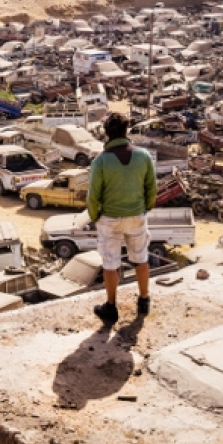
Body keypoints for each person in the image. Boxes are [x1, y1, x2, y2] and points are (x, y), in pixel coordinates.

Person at [86, 112, 157, 326]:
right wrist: (145, 208)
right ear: (126, 131)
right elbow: (152, 188)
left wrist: (94, 216)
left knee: (110, 263)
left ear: (107, 133)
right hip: (136, 215)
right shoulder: (143, 155)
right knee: (140, 258)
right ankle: (144, 300)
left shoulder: (101, 161)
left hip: (110, 219)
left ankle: (111, 307)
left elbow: (93, 196)